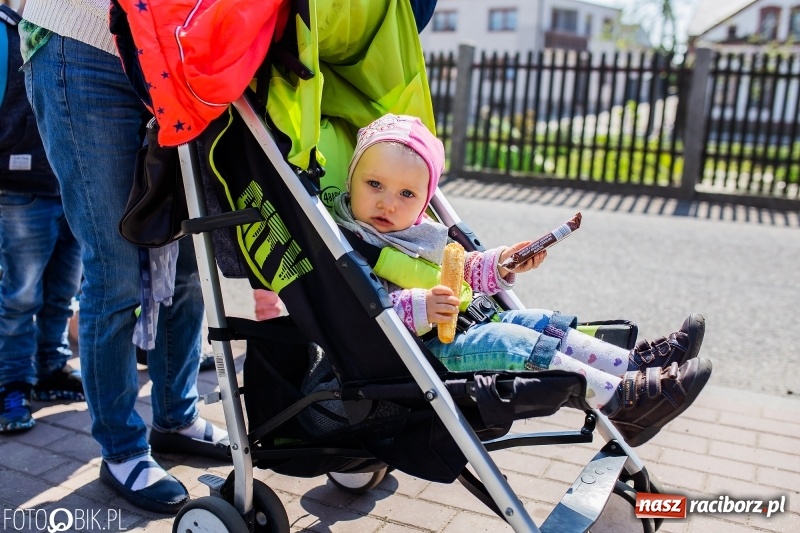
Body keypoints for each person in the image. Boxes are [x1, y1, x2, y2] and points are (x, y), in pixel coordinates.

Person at [331, 113, 713, 447]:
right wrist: (421, 307)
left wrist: (502, 262)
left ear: (423, 199)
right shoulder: (350, 241)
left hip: (472, 322)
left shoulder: (419, 232)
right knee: (518, 343)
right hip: (427, 349)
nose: (388, 203)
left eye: (407, 193)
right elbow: (359, 307)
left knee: (542, 323)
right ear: (352, 179)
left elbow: (463, 270)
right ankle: (619, 400)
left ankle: (629, 364)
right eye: (374, 185)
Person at [20, 0, 230, 514]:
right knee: (114, 272)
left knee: (185, 261)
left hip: (178, 51)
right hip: (84, 46)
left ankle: (175, 418)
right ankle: (121, 449)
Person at [0, 0, 83, 434]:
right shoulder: (6, 27)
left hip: (70, 181)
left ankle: (51, 368)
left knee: (62, 291)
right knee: (19, 295)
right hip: (19, 187)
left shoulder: (65, 27)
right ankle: (10, 384)